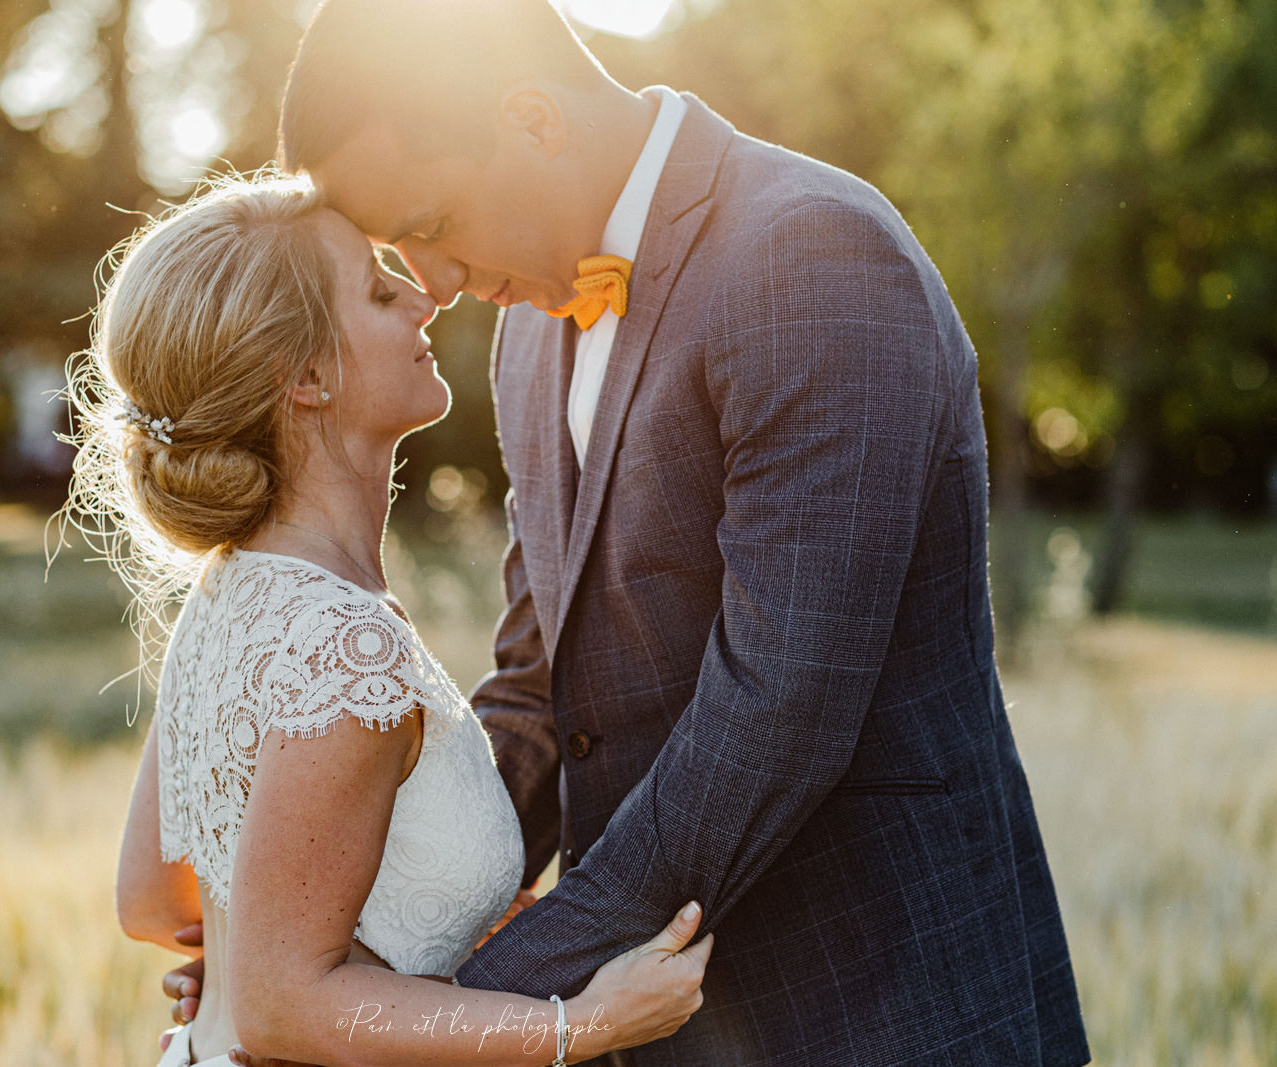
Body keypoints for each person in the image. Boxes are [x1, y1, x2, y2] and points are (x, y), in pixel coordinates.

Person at [166, 1, 1093, 1063]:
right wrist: (319, 947)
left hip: (877, 1001)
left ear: (532, 119)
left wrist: (448, 999)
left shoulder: (809, 254)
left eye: (428, 224)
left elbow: (776, 712)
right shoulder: (525, 333)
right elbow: (536, 685)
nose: (438, 285)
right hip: (665, 1021)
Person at [61, 173, 712, 1066]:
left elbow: (156, 901)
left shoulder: (228, 596)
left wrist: (280, 955)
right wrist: (584, 1024)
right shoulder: (342, 647)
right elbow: (284, 1008)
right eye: (376, 289)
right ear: (309, 380)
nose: (420, 297)